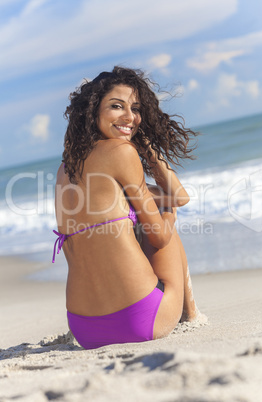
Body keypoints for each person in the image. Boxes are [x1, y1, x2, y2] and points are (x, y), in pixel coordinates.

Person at [52, 66, 200, 350]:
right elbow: (171, 212)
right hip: (139, 321)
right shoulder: (121, 153)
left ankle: (190, 312)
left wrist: (138, 140)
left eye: (135, 109)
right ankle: (191, 313)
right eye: (116, 106)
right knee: (162, 226)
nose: (130, 117)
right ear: (93, 110)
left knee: (143, 222)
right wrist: (145, 148)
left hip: (85, 330)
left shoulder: (64, 168)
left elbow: (177, 195)